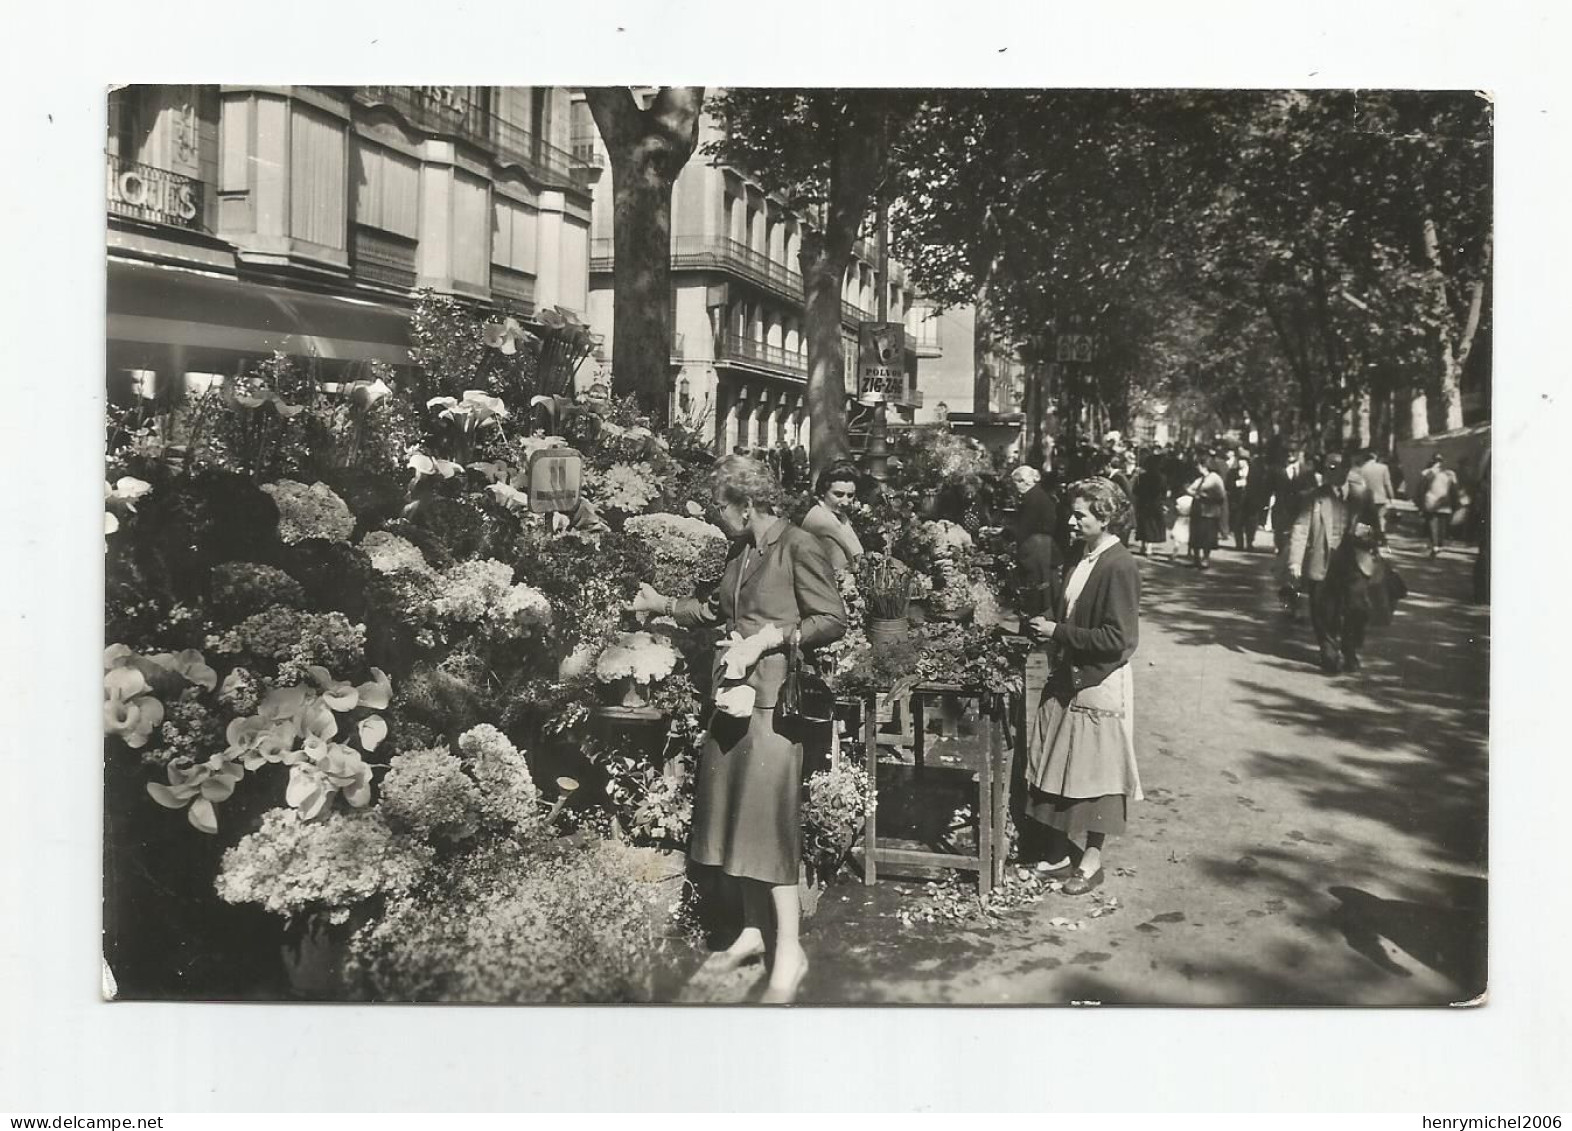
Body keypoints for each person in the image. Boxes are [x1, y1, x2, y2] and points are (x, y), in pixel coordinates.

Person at [630, 455, 846, 1003]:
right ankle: (753, 934)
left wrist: (769, 639)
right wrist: (663, 606)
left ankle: (790, 951)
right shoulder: (742, 550)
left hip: (774, 707)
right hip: (733, 703)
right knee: (738, 824)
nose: (721, 517)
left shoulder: (798, 545)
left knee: (769, 826)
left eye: (725, 508)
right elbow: (713, 609)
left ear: (745, 505)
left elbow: (832, 619)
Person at [1023, 477, 1143, 896]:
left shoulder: (1119, 564)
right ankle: (1058, 855)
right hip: (1071, 674)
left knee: (1096, 775)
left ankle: (1091, 862)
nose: (1071, 522)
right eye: (1072, 513)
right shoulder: (1083, 556)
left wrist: (1058, 631)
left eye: (1080, 515)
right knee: (1059, 764)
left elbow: (1120, 639)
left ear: (1105, 517)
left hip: (1098, 680)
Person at [1288, 450, 1385, 674]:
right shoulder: (1314, 497)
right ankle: (1329, 650)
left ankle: (1350, 649)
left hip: (1354, 563)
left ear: (1346, 470)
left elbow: (1376, 530)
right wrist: (1295, 561)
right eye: (1328, 469)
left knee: (1357, 608)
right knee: (1323, 610)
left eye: (1337, 468)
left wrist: (1367, 533)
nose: (1331, 473)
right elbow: (1301, 528)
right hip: (1323, 560)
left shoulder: (1362, 496)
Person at [1269, 441, 1320, 618]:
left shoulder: (1307, 473)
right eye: (1287, 451)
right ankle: (1289, 599)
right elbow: (1269, 491)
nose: (1290, 454)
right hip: (1282, 521)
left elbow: (1315, 497)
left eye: (1293, 451)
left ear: (1299, 452)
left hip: (1303, 522)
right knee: (1284, 560)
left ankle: (1296, 604)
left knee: (1299, 562)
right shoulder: (1276, 471)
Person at [1010, 465, 1062, 619]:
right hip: (1041, 546)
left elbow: (1025, 527)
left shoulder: (1032, 498)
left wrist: (1008, 533)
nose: (1016, 487)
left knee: (1035, 588)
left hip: (1037, 548)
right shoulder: (1037, 494)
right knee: (1041, 589)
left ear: (1024, 481)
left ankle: (1035, 624)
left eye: (1016, 483)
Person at [799, 462, 865, 572]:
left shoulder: (837, 515)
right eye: (838, 495)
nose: (845, 502)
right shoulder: (820, 522)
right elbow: (839, 569)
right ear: (822, 492)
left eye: (850, 495)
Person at [1185, 455, 1227, 569]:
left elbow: (1220, 495)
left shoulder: (1214, 478)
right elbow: (1190, 489)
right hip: (1198, 511)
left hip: (1210, 512)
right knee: (1196, 535)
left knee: (1207, 537)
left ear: (1204, 466)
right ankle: (1196, 558)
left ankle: (1205, 559)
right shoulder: (1201, 478)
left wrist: (1202, 495)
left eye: (1198, 465)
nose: (1197, 468)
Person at [1417, 453, 1461, 557]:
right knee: (1443, 524)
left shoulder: (1427, 473)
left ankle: (1435, 545)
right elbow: (1454, 490)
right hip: (1445, 502)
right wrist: (1456, 502)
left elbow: (1421, 490)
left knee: (1433, 523)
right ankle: (1440, 544)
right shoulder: (1450, 474)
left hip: (1431, 502)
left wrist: (1420, 504)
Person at [1132, 452, 1171, 558]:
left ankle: (1143, 545)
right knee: (1153, 524)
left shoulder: (1142, 477)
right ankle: (1149, 547)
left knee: (1144, 523)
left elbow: (1136, 491)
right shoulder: (1162, 478)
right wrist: (1164, 503)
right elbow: (1164, 493)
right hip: (1156, 503)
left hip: (1143, 502)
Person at [1349, 448, 1396, 534]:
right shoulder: (1383, 468)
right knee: (1380, 518)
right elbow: (1387, 484)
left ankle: (1367, 537)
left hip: (1365, 498)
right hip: (1380, 498)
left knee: (1366, 520)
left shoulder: (1361, 469)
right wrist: (1391, 496)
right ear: (1375, 457)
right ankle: (1380, 535)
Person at [1228, 453, 1260, 551]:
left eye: (1243, 461)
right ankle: (1239, 544)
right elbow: (1228, 484)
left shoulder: (1255, 473)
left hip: (1251, 503)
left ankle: (1250, 543)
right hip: (1238, 502)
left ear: (1247, 462)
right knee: (1237, 524)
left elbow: (1260, 486)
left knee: (1251, 525)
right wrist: (1237, 483)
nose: (1240, 463)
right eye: (1239, 460)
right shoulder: (1233, 472)